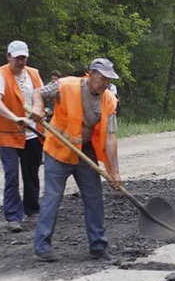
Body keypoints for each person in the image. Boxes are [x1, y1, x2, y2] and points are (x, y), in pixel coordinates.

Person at [28, 58, 121, 262]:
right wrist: (37, 107)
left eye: (109, 80)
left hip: (84, 150)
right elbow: (38, 92)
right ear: (91, 74)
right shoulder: (66, 86)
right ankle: (42, 247)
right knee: (53, 196)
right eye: (103, 78)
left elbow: (111, 137)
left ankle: (98, 246)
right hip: (59, 149)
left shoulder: (109, 100)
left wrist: (115, 172)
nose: (106, 83)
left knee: (94, 196)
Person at [0, 40, 44, 233]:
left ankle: (33, 210)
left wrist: (36, 110)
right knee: (12, 175)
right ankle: (13, 216)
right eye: (17, 58)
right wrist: (15, 118)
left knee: (31, 174)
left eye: (23, 58)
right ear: (8, 56)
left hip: (32, 133)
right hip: (7, 135)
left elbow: (39, 96)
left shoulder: (34, 74)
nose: (20, 62)